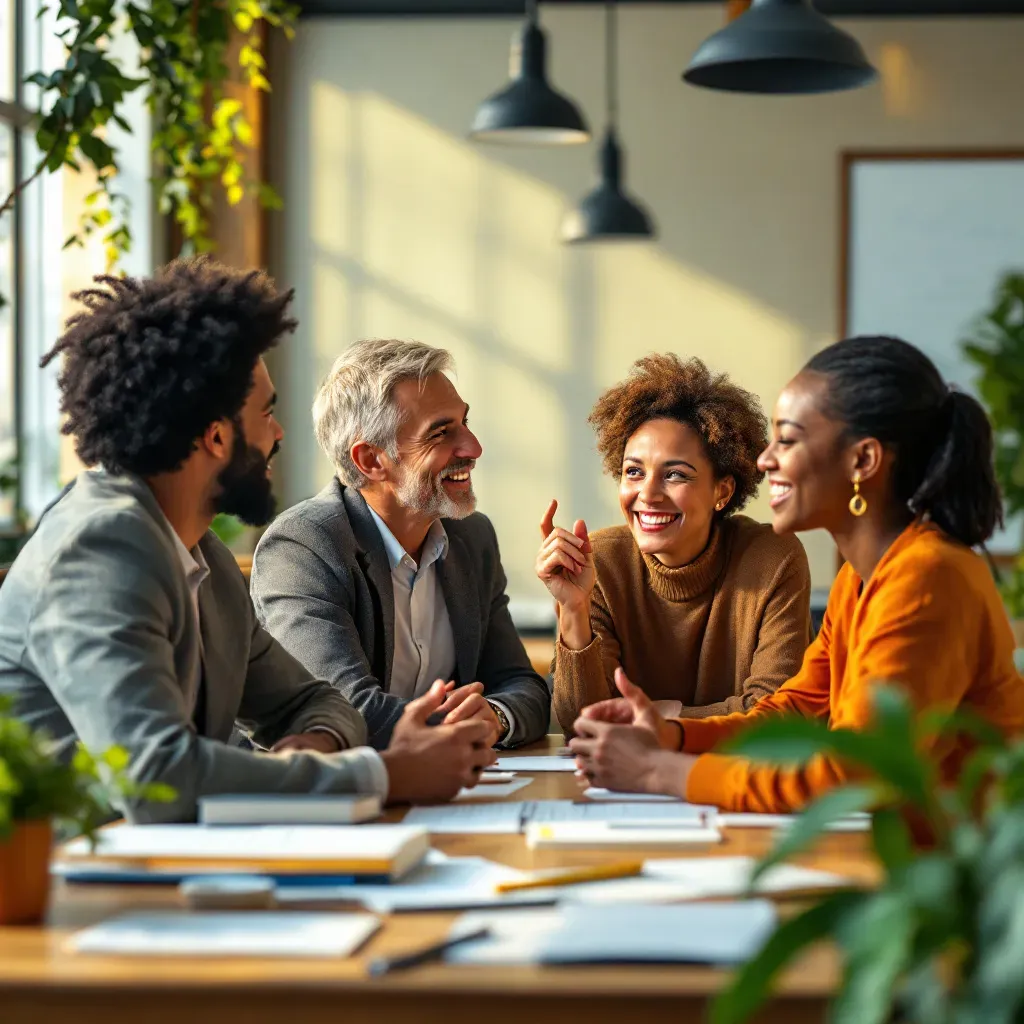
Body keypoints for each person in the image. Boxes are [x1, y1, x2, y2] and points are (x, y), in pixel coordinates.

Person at [0, 259, 496, 824]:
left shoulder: (199, 553)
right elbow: (156, 779)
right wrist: (385, 774)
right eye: (266, 412)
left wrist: (315, 746)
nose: (278, 433)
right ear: (216, 436)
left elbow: (317, 702)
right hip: (61, 872)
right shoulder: (100, 550)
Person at [569, 336, 1024, 812]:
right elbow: (793, 713)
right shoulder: (858, 579)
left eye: (787, 439)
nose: (765, 460)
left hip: (962, 857)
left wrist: (656, 770)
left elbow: (853, 774)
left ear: (862, 460)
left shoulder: (928, 576)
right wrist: (671, 735)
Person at [250, 339, 551, 750]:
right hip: (322, 785)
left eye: (464, 422)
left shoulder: (472, 537)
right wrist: (463, 726)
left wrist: (496, 716)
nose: (473, 447)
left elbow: (521, 685)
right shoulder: (303, 546)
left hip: (449, 782)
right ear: (372, 460)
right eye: (441, 432)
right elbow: (343, 711)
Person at [537, 354, 812, 735]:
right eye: (634, 471)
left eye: (676, 475)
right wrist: (573, 608)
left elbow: (779, 718)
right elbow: (582, 721)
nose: (648, 494)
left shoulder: (772, 558)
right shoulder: (600, 561)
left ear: (722, 491)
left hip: (734, 771)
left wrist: (662, 717)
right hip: (631, 770)